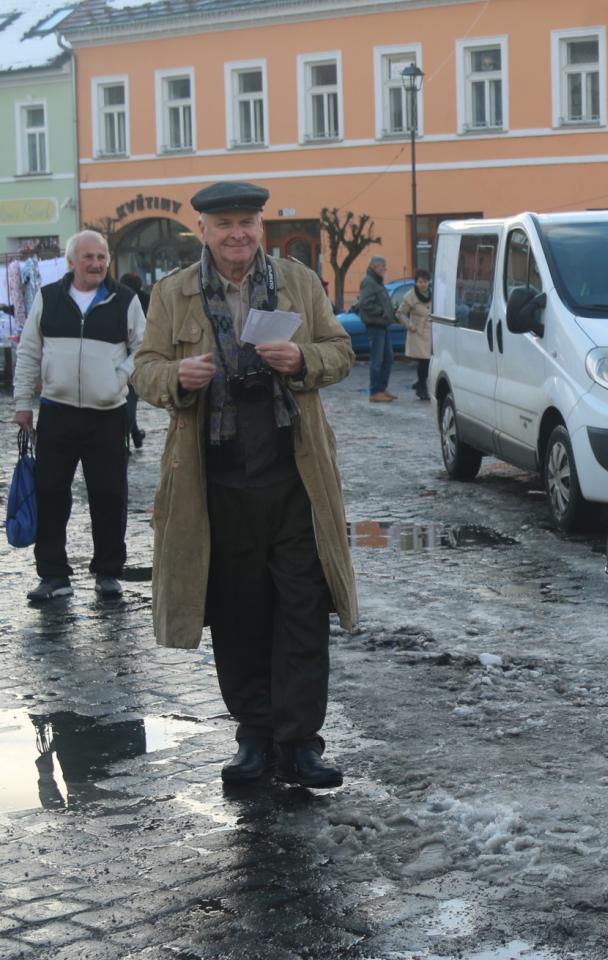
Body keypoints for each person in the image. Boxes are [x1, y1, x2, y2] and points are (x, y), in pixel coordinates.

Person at [131, 181, 358, 788]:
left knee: (303, 612)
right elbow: (143, 371)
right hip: (218, 482)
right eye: (225, 223)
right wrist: (177, 374)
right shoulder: (172, 293)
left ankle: (301, 743)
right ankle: (254, 737)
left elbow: (340, 349)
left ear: (262, 227)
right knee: (238, 616)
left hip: (294, 477)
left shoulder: (298, 283)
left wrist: (303, 360)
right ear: (202, 230)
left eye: (248, 222)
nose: (238, 233)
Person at [12, 230, 145, 603]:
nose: (97, 264)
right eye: (88, 257)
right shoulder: (49, 297)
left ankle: (108, 572)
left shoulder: (125, 300)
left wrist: (119, 377)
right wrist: (23, 402)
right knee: (51, 492)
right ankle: (53, 575)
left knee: (109, 493)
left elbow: (143, 348)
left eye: (102, 257)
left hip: (107, 415)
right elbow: (29, 353)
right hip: (57, 412)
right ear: (72, 262)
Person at [117, 272, 150, 450]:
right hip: (137, 356)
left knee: (127, 401)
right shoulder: (146, 299)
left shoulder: (118, 300)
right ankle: (134, 436)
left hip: (123, 357)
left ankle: (129, 439)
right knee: (130, 400)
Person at [357, 255, 397, 402]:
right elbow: (364, 303)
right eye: (383, 266)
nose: (385, 269)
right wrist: (382, 312)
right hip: (375, 326)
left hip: (383, 325)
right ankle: (375, 391)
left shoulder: (377, 281)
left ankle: (381, 389)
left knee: (388, 358)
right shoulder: (369, 282)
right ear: (375, 266)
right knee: (377, 359)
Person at [395, 269, 432, 401]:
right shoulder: (410, 296)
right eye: (420, 282)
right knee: (424, 361)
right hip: (418, 332)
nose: (423, 284)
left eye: (425, 281)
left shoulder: (432, 293)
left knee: (428, 362)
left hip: (431, 332)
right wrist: (410, 325)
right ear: (416, 282)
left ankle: (420, 383)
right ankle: (422, 387)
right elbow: (400, 314)